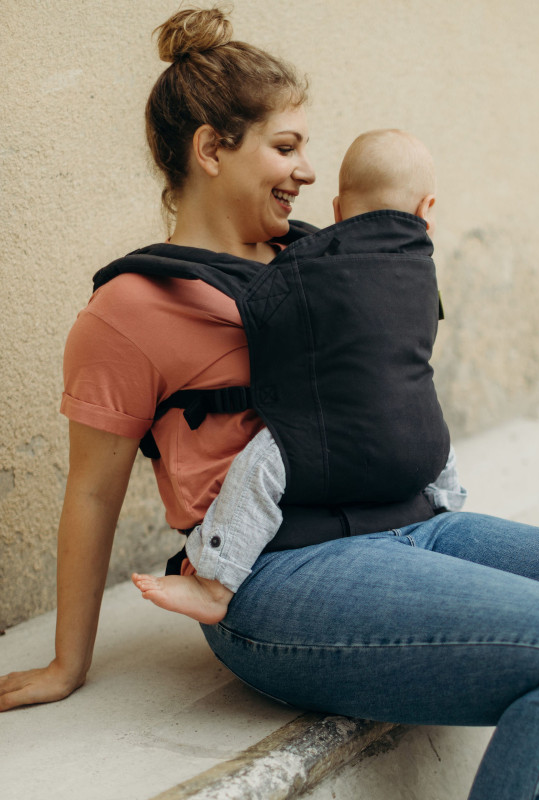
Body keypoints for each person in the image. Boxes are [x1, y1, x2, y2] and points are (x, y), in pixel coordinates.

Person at [0, 8, 539, 800]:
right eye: (285, 146)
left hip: (416, 522)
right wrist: (68, 663)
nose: (309, 171)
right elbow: (93, 488)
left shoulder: (326, 262)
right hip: (280, 576)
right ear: (211, 148)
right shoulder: (131, 308)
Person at [131, 128, 466, 625]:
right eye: (286, 148)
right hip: (419, 437)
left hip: (326, 435)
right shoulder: (425, 270)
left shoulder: (306, 266)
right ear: (427, 210)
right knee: (436, 436)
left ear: (335, 211)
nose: (301, 167)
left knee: (260, 466)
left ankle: (215, 581)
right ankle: (452, 515)